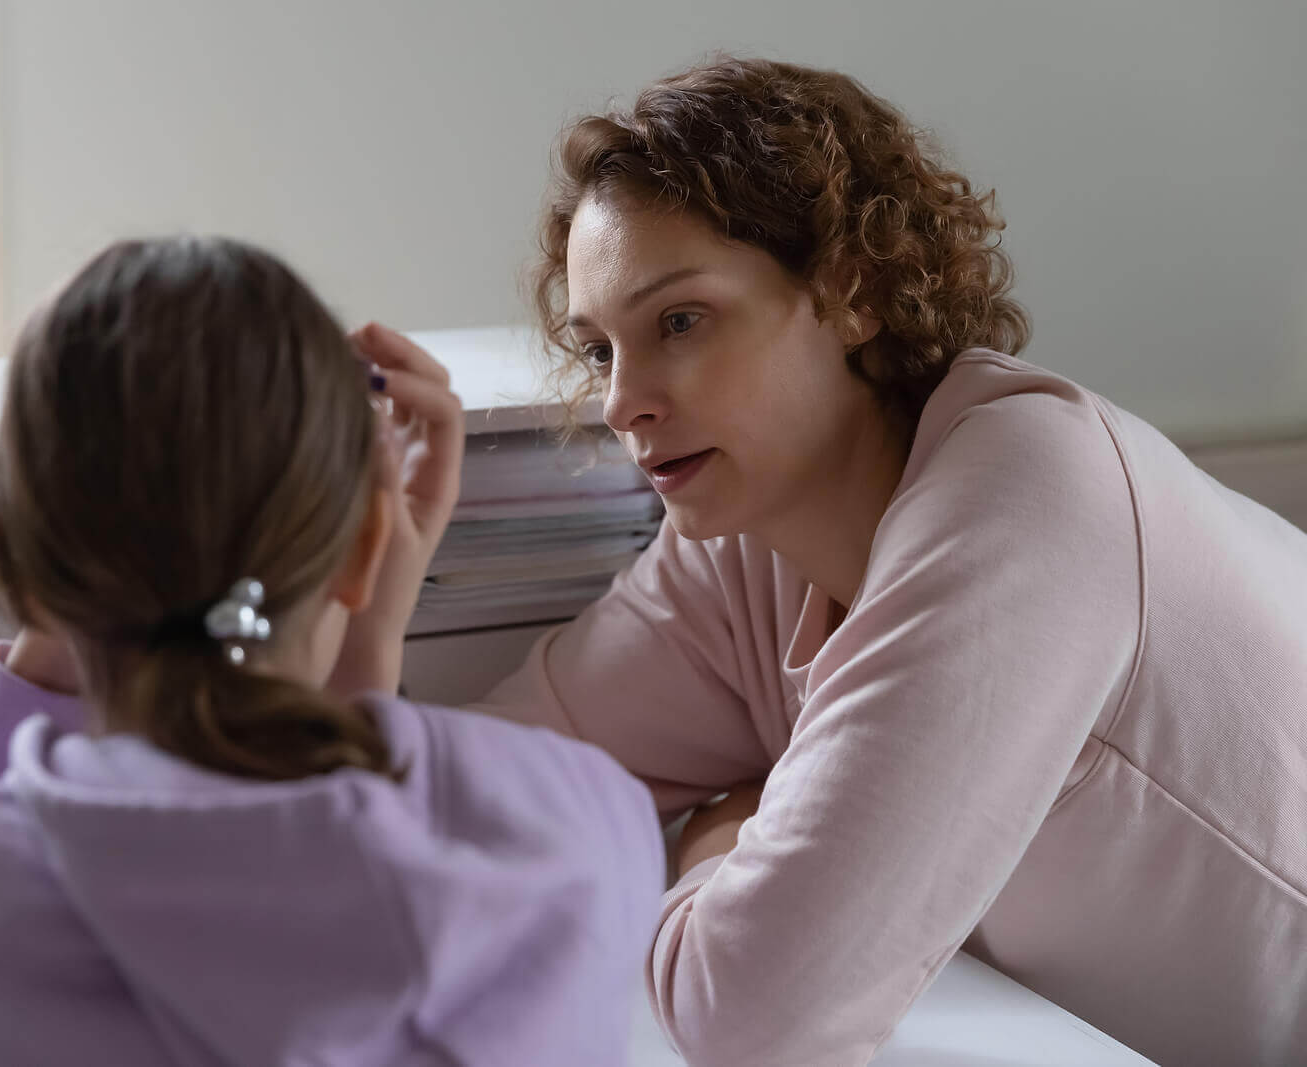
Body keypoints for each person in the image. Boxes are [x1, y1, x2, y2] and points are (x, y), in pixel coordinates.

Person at [476, 56, 1307, 1066]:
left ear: (852, 290)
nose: (620, 403)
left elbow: (757, 1014)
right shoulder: (745, 541)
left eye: (679, 321)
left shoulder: (1027, 493)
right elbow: (484, 790)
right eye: (602, 349)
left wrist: (713, 835)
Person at [0, 237, 664, 1066]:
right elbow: (336, 839)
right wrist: (370, 631)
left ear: (21, 565)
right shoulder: (579, 829)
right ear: (364, 543)